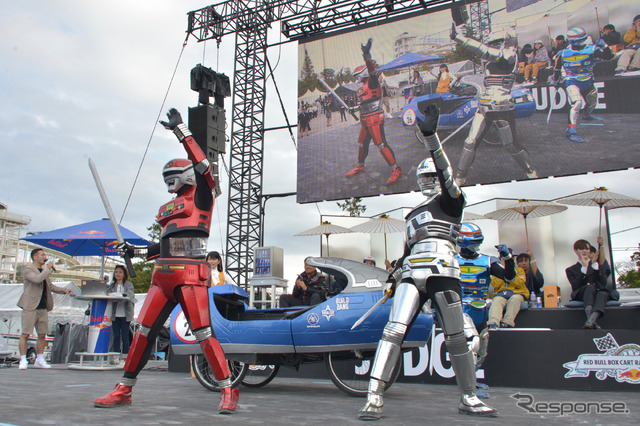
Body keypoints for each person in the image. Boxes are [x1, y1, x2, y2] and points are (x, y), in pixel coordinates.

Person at [94, 108, 239, 414]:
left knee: (204, 334)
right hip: (163, 276)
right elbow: (165, 247)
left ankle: (227, 389)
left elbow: (204, 166)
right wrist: (134, 252)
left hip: (190, 276)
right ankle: (124, 388)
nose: (170, 183)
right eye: (167, 179)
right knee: (143, 333)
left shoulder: (202, 195)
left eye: (174, 177)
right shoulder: (169, 208)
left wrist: (181, 131)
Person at [358, 104, 497, 420]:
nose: (425, 180)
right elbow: (406, 251)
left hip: (443, 271)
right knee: (393, 331)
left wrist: (432, 137)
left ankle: (469, 397)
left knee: (456, 338)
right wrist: (393, 276)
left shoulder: (451, 203)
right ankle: (373, 396)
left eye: (430, 175)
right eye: (422, 176)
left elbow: (448, 173)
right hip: (411, 274)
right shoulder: (411, 214)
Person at [450, 24, 538, 185]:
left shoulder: (510, 56)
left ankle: (530, 171)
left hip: (502, 107)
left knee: (510, 145)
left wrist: (460, 38)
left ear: (506, 42)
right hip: (484, 106)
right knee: (470, 142)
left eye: (497, 42)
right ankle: (459, 178)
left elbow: (485, 51)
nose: (494, 46)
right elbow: (485, 79)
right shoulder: (494, 59)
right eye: (493, 43)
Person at [456, 223, 516, 366]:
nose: (477, 245)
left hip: (480, 307)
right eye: (474, 242)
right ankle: (468, 385)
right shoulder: (451, 259)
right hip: (458, 307)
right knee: (472, 342)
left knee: (482, 348)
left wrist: (508, 259)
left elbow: (509, 278)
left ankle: (472, 380)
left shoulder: (487, 261)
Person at [345, 38, 402, 185]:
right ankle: (360, 166)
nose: (356, 78)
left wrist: (367, 56)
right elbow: (364, 102)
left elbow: (372, 71)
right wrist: (353, 108)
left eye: (357, 75)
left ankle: (396, 169)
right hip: (365, 118)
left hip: (374, 117)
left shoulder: (372, 80)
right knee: (362, 143)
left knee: (380, 143)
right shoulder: (363, 85)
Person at [554, 27, 614, 143]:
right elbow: (556, 69)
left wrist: (605, 47)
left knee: (592, 102)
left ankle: (587, 114)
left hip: (588, 80)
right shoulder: (562, 53)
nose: (583, 42)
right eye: (581, 40)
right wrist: (556, 81)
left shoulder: (592, 49)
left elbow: (609, 57)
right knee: (576, 104)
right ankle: (571, 131)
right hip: (572, 81)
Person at [17, 248, 74, 370]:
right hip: (30, 306)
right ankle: (22, 359)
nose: (45, 257)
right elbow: (37, 279)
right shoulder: (28, 269)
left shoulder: (44, 271)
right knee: (25, 333)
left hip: (42, 306)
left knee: (42, 334)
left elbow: (50, 286)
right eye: (42, 255)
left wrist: (64, 290)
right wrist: (48, 269)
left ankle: (40, 358)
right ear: (35, 257)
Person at [566, 238, 614, 329]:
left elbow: (603, 282)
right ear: (576, 251)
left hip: (598, 292)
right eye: (581, 249)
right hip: (582, 293)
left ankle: (590, 321)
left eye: (587, 249)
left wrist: (595, 267)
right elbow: (575, 286)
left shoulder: (597, 265)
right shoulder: (570, 269)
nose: (584, 251)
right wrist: (584, 268)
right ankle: (592, 322)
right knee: (589, 287)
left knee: (603, 293)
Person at [487, 258, 529, 329]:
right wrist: (502, 272)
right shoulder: (496, 271)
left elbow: (519, 282)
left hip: (517, 293)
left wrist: (509, 275)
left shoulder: (519, 270)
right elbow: (496, 284)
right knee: (497, 300)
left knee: (515, 299)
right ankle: (493, 323)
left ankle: (506, 323)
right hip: (501, 293)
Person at [107, 265, 136, 364]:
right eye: (116, 272)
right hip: (115, 314)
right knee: (116, 336)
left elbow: (130, 294)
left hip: (125, 314)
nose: (118, 274)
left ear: (124, 274)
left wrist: (123, 295)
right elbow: (107, 294)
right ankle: (115, 356)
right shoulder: (112, 285)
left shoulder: (128, 284)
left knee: (125, 336)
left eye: (120, 272)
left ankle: (124, 357)